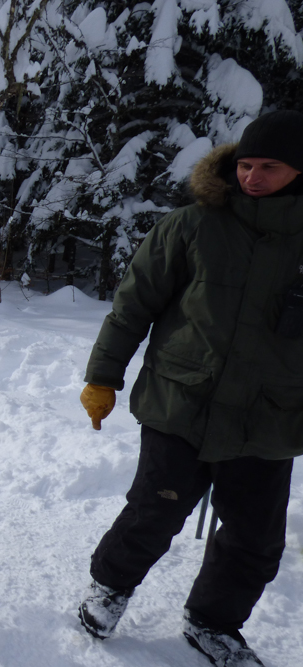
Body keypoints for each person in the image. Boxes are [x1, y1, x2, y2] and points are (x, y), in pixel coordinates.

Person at [77, 110, 303, 667]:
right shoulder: (192, 224)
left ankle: (213, 622)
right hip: (181, 402)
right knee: (152, 512)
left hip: (270, 416)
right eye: (246, 165)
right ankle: (110, 587)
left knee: (255, 539)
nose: (252, 176)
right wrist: (103, 376)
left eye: (269, 167)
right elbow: (135, 305)